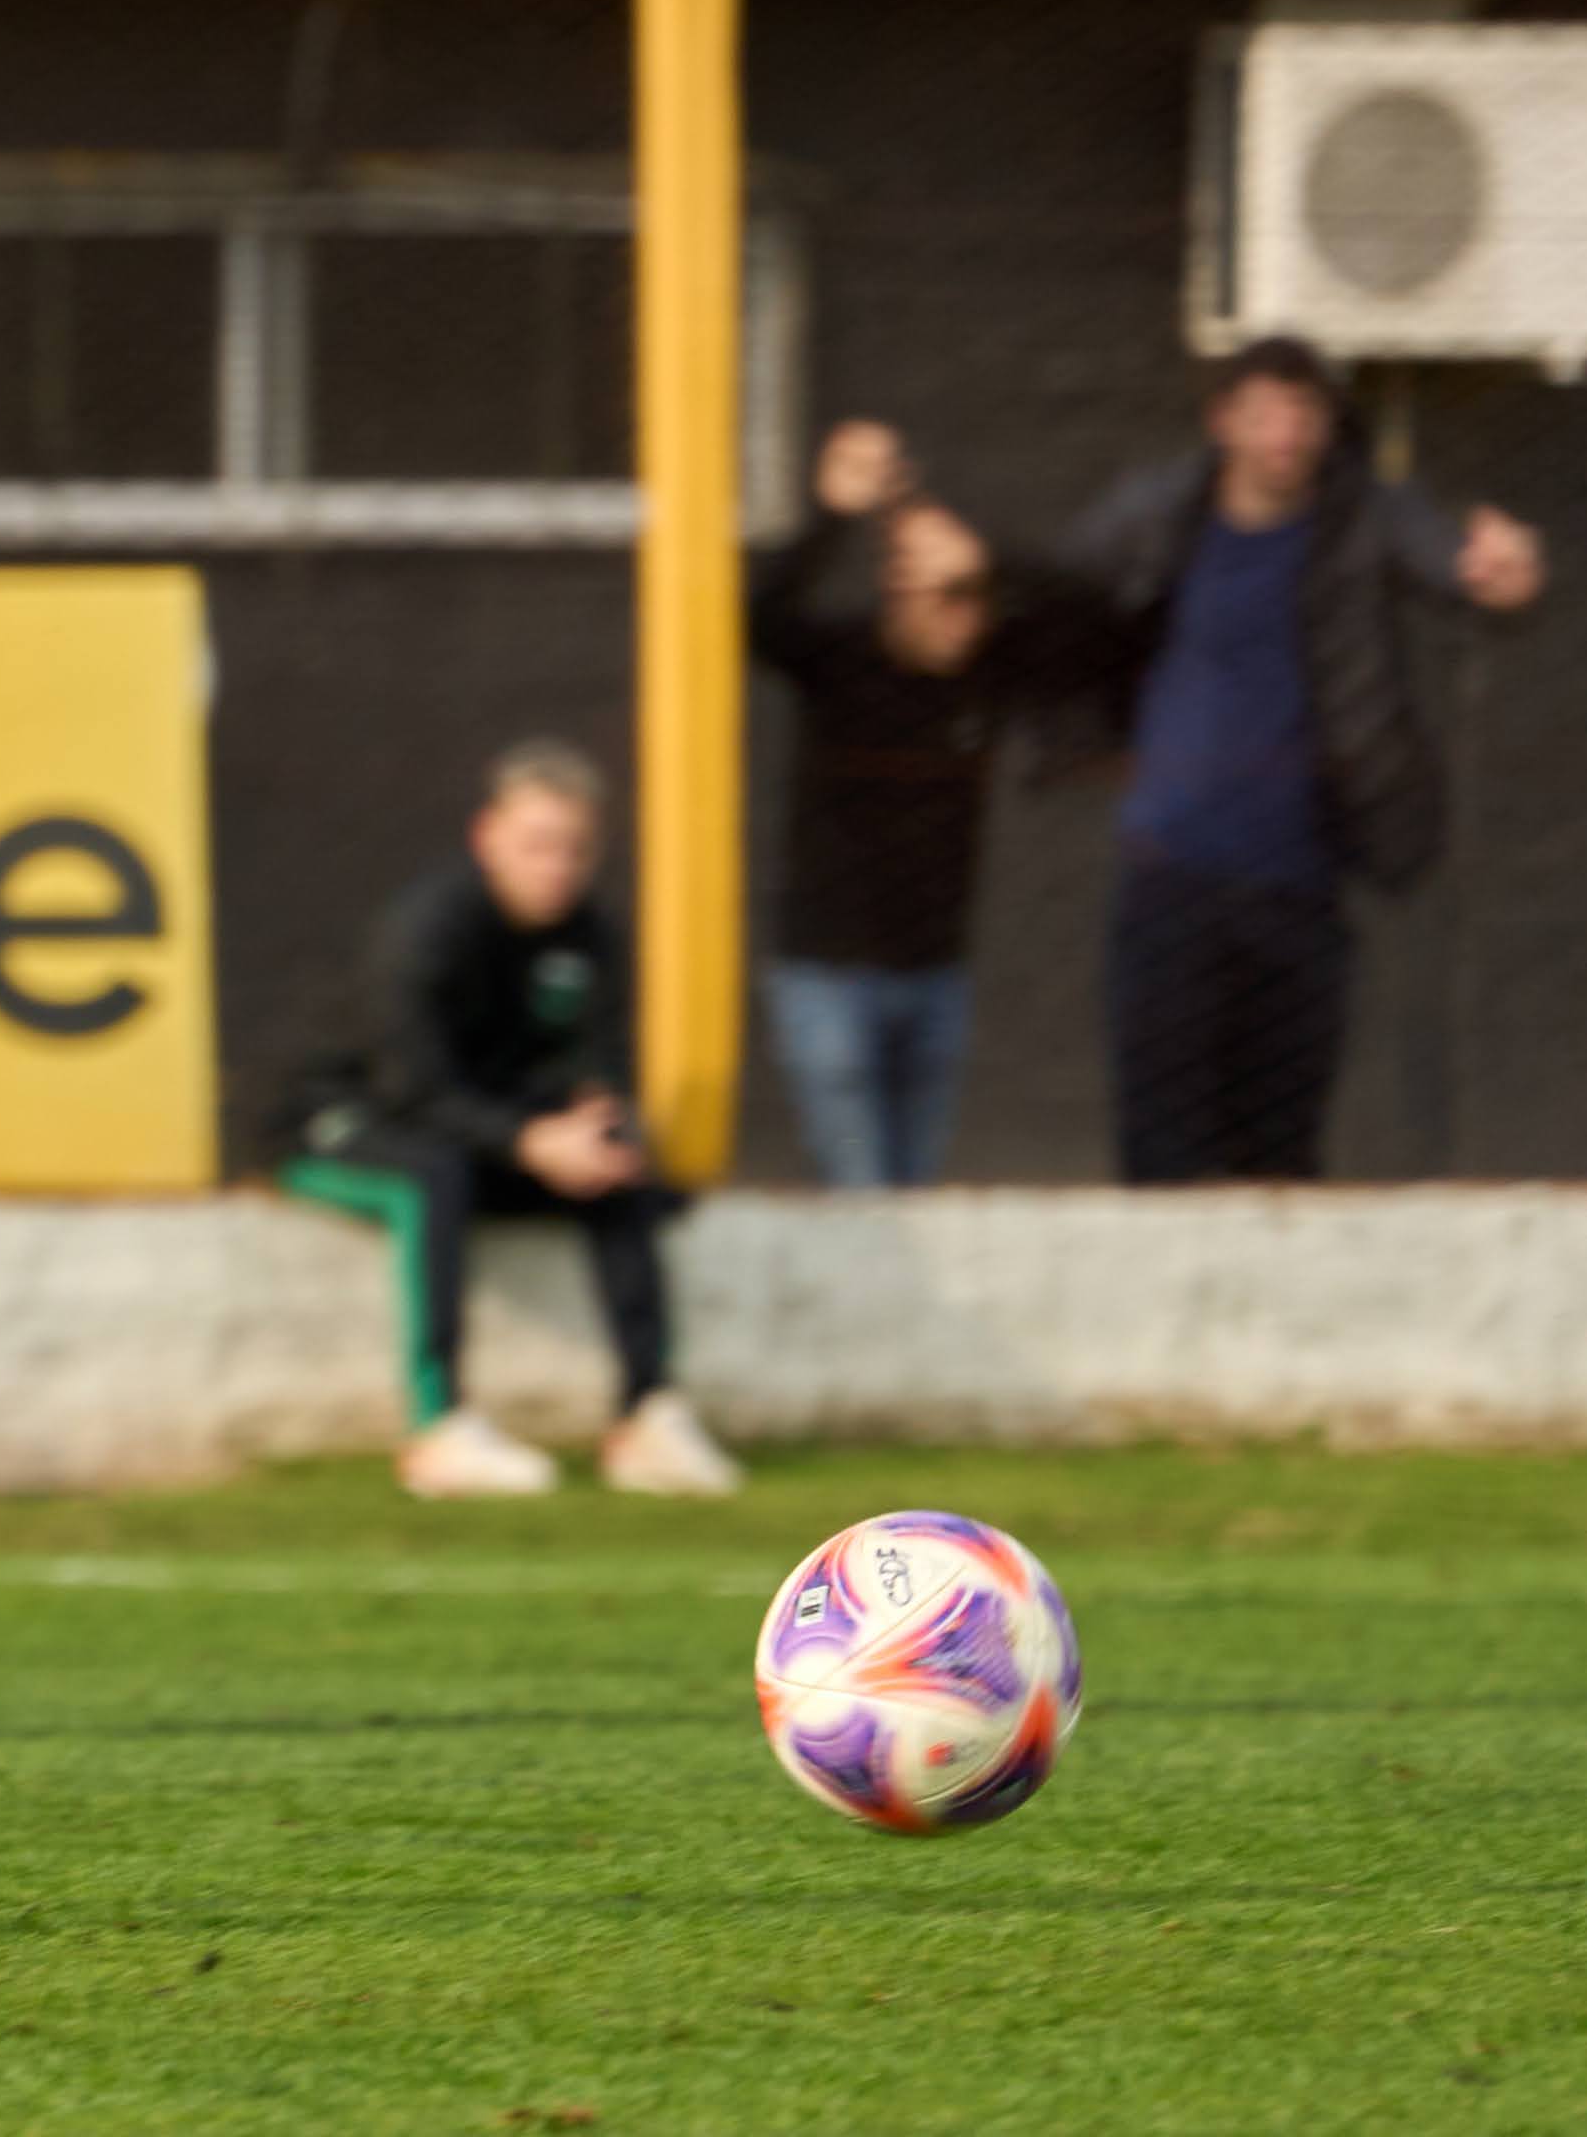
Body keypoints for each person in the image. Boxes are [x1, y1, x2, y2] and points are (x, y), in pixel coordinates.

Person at [1043, 338, 1538, 1186]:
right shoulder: (1158, 514)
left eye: (1304, 411)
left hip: (1300, 898)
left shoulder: (1366, 515)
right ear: (1223, 423)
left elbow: (1457, 566)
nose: (1286, 430)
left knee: (1279, 1166)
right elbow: (1051, 597)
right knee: (1161, 1159)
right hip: (1170, 889)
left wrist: (1501, 574)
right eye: (1264, 411)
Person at [280, 742, 740, 1501]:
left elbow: (603, 1066)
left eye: (574, 849)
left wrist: (595, 1121)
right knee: (432, 1177)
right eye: (537, 845)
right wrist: (528, 1139)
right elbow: (413, 1091)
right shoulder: (431, 928)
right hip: (339, 1121)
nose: (555, 866)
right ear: (487, 837)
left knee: (619, 1174)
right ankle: (439, 1428)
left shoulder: (592, 937)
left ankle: (647, 1415)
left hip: (489, 1133)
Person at [749, 423, 1114, 1191]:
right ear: (895, 590)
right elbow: (751, 618)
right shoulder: (842, 660)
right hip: (829, 977)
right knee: (865, 1197)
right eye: (943, 599)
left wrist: (986, 558)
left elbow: (1098, 615)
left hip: (934, 975)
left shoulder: (988, 665)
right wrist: (829, 515)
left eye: (975, 600)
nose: (963, 619)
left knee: (914, 1197)